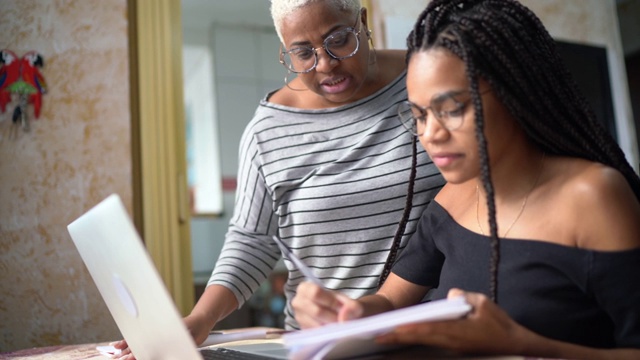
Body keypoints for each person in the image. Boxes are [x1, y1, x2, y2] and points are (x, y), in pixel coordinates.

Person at [291, 0, 640, 358]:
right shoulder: (453, 197)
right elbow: (390, 302)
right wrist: (349, 314)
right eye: (419, 115)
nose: (431, 133)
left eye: (452, 109)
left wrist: (520, 344)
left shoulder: (594, 196)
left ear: (514, 91)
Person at [112, 0, 444, 358]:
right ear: (285, 51)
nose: (326, 63)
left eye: (339, 39)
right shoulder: (268, 131)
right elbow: (251, 242)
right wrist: (200, 318)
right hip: (320, 343)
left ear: (362, 21)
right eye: (303, 53)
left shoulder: (427, 78)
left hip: (431, 334)